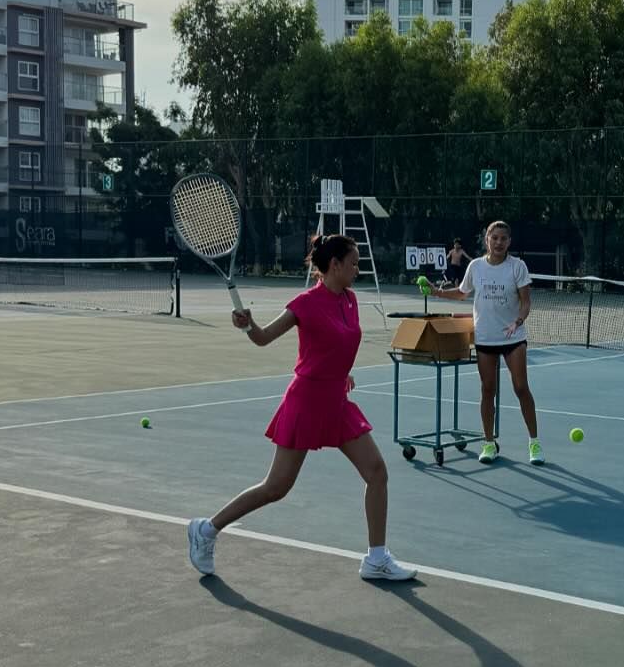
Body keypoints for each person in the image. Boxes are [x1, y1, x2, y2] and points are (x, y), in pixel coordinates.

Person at [187, 233, 415, 583]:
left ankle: (377, 558)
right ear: (334, 265)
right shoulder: (305, 303)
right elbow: (263, 338)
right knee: (276, 487)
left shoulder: (351, 300)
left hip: (336, 400)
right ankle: (207, 529)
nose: (358, 268)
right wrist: (247, 323)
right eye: (353, 263)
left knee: (377, 472)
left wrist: (342, 373)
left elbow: (336, 344)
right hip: (307, 401)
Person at [437, 220, 542, 466]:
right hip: (485, 337)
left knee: (520, 387)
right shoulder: (475, 266)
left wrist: (518, 320)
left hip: (513, 338)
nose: (498, 242)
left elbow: (526, 301)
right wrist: (438, 292)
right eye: (494, 238)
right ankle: (488, 443)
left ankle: (534, 443)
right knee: (487, 390)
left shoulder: (517, 267)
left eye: (503, 239)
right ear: (487, 240)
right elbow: (463, 293)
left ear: (509, 242)